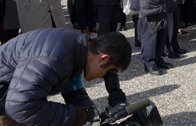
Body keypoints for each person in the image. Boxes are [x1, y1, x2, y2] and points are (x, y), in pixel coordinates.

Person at [0, 28, 131, 126]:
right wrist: (73, 115)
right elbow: (20, 106)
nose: (103, 77)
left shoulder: (77, 49)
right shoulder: (55, 57)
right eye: (109, 72)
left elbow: (74, 92)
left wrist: (91, 117)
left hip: (11, 96)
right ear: (103, 58)